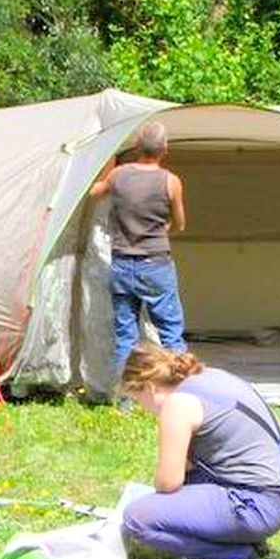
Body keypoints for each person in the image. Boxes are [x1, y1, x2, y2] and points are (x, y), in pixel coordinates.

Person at [118, 343, 280, 559]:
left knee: (138, 518)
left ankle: (230, 558)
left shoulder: (179, 404)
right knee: (190, 482)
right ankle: (250, 541)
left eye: (137, 400)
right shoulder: (211, 377)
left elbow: (168, 482)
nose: (142, 409)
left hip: (257, 505)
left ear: (150, 388)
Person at [88, 121, 188, 382]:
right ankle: (178, 391)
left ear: (136, 147)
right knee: (171, 332)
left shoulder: (118, 175)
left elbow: (94, 193)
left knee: (125, 336)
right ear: (164, 149)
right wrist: (164, 230)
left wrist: (110, 158)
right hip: (156, 264)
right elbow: (180, 224)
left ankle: (126, 400)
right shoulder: (171, 181)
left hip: (121, 265)